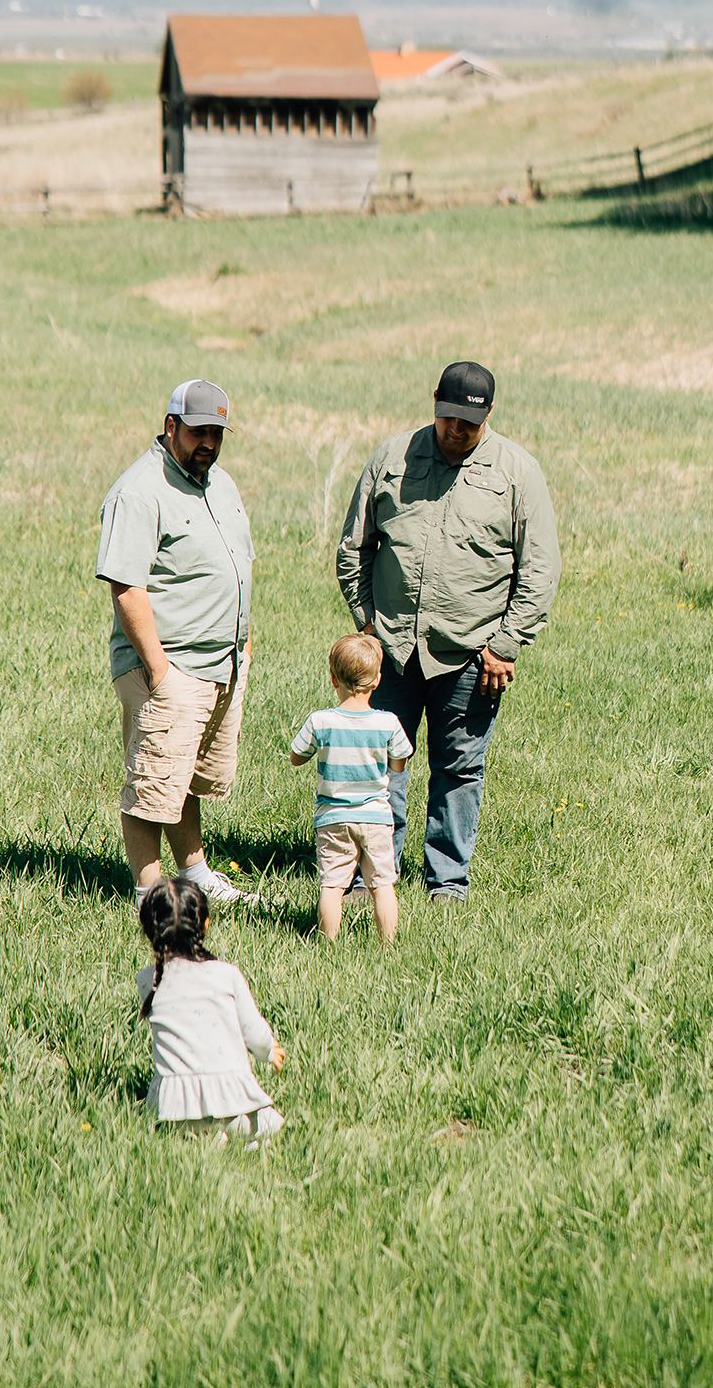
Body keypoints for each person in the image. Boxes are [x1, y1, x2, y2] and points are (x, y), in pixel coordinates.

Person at [336, 359, 561, 904]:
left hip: (472, 653)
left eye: (470, 423)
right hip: (390, 649)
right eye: (448, 418)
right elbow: (353, 549)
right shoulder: (392, 459)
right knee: (379, 765)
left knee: (459, 767)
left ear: (488, 416)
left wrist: (505, 645)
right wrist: (367, 623)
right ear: (434, 401)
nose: (456, 430)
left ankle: (447, 883)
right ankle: (373, 876)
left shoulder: (517, 472)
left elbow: (540, 568)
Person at [97, 379, 256, 907]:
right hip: (168, 663)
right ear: (171, 427)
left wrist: (245, 645)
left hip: (221, 663)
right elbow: (127, 585)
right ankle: (148, 891)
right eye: (198, 431)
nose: (208, 442)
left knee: (184, 775)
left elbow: (239, 568)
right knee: (152, 780)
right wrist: (159, 671)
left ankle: (195, 874)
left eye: (217, 432)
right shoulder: (139, 491)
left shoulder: (221, 484)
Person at [137, 876, 285, 1148]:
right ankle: (243, 1141)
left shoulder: (149, 980)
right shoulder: (226, 974)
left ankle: (204, 1138)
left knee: (188, 1133)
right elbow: (252, 1029)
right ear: (205, 923)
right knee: (274, 1125)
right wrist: (269, 1051)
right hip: (233, 1102)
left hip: (173, 1110)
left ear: (148, 930)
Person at [289, 631, 414, 943]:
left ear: (334, 679)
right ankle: (388, 945)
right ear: (377, 681)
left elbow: (295, 757)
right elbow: (399, 763)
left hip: (333, 818)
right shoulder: (388, 722)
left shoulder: (320, 721)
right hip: (377, 817)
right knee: (382, 884)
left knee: (332, 885)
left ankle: (327, 944)